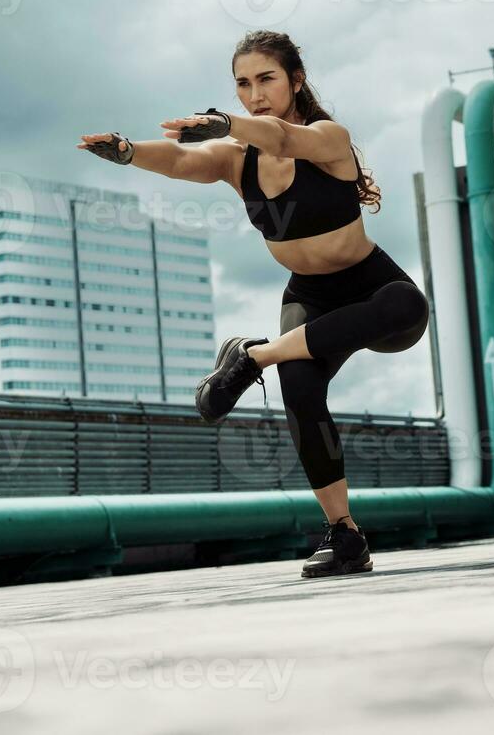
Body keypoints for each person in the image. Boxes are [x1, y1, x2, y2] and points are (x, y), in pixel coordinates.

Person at [77, 30, 430, 578]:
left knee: (409, 303)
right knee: (301, 386)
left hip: (373, 292)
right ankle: (345, 535)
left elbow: (282, 139)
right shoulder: (235, 161)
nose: (255, 92)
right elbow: (175, 159)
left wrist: (227, 122)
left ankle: (253, 357)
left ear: (296, 80)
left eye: (266, 79)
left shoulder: (327, 138)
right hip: (309, 298)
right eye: (243, 84)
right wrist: (126, 152)